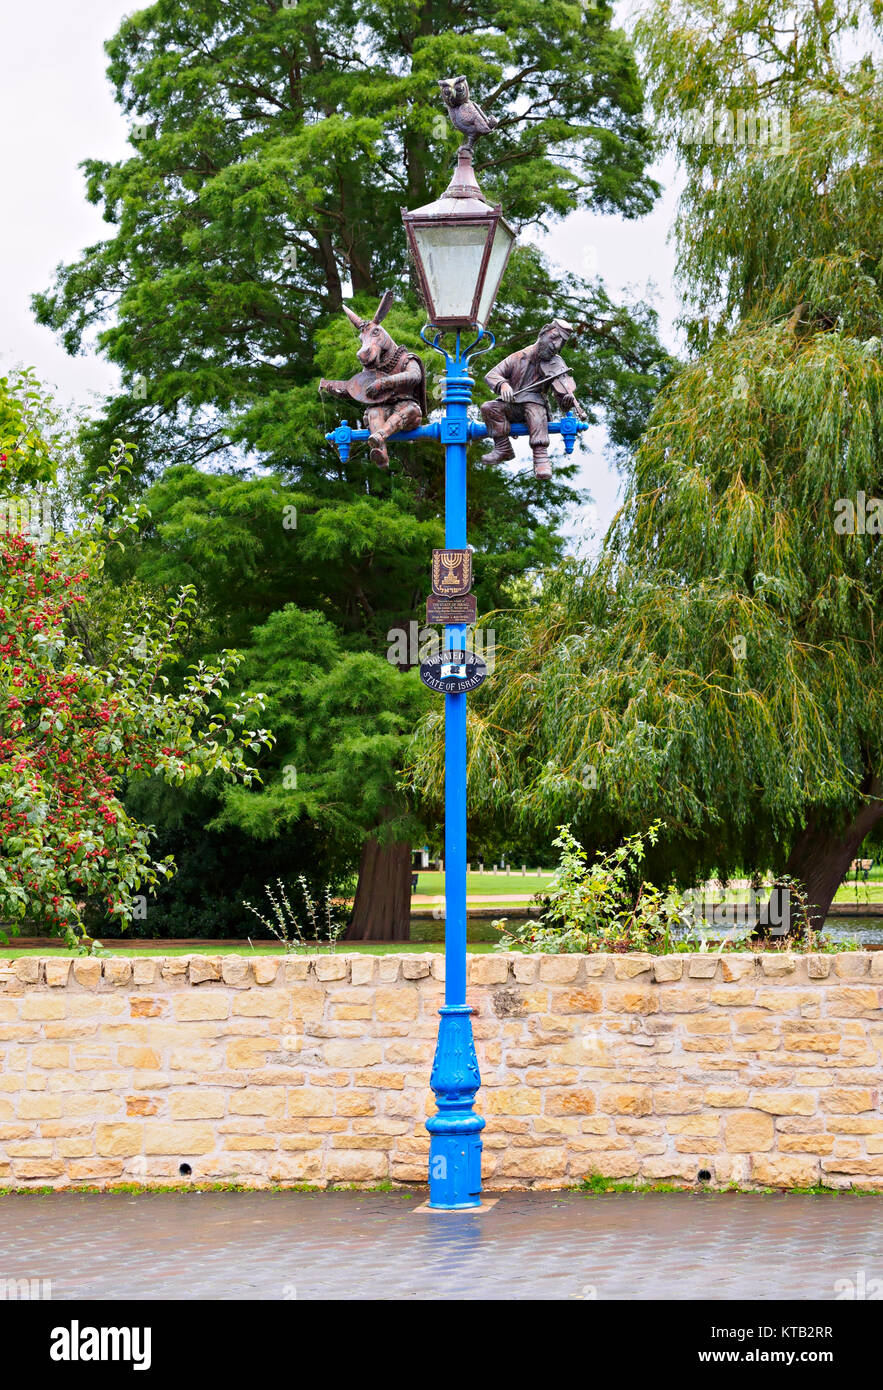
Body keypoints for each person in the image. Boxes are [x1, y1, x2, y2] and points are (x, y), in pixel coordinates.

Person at [481, 319, 586, 479]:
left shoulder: (557, 363)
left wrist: (566, 402)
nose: (556, 346)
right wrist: (503, 385)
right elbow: (492, 375)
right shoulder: (518, 357)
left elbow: (561, 398)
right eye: (554, 338)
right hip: (513, 405)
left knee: (535, 411)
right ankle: (503, 448)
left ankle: (541, 457)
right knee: (488, 407)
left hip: (536, 404)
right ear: (543, 332)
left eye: (562, 343)